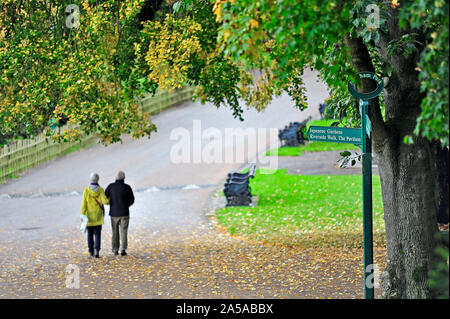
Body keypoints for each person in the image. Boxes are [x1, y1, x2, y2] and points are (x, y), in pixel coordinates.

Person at [105, 171, 134, 256]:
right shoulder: (127, 187)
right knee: (124, 231)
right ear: (124, 178)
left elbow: (105, 197)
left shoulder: (111, 186)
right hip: (125, 213)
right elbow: (132, 200)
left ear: (115, 177)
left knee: (115, 232)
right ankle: (123, 249)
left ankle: (115, 249)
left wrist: (111, 203)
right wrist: (126, 205)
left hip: (114, 213)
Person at [80, 173, 109, 258]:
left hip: (89, 216)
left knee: (90, 234)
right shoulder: (100, 190)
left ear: (90, 180)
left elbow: (83, 204)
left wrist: (82, 215)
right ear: (98, 180)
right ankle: (97, 250)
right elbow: (105, 201)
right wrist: (110, 199)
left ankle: (91, 251)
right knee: (97, 233)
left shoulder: (86, 190)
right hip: (98, 216)